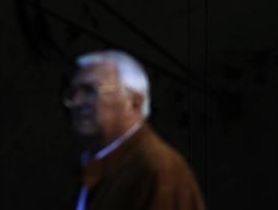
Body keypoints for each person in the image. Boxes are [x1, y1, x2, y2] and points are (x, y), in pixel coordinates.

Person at [64, 50, 205, 210]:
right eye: (73, 93)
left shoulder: (159, 169)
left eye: (90, 91)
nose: (77, 102)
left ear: (134, 103)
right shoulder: (92, 165)